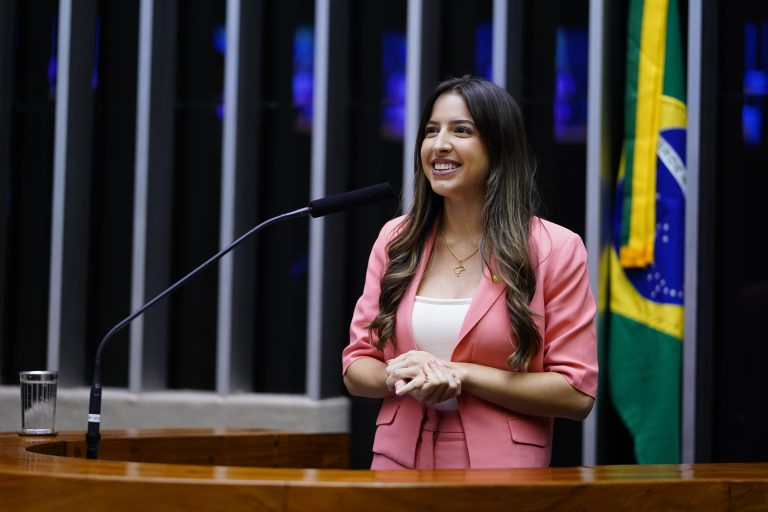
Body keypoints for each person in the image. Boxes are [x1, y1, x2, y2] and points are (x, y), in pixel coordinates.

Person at [341, 76, 598, 470]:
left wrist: (462, 374)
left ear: (498, 148)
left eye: (461, 130)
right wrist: (396, 374)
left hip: (501, 470)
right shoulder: (396, 239)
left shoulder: (555, 248)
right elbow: (357, 366)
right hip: (396, 463)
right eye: (431, 130)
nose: (439, 144)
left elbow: (576, 393)